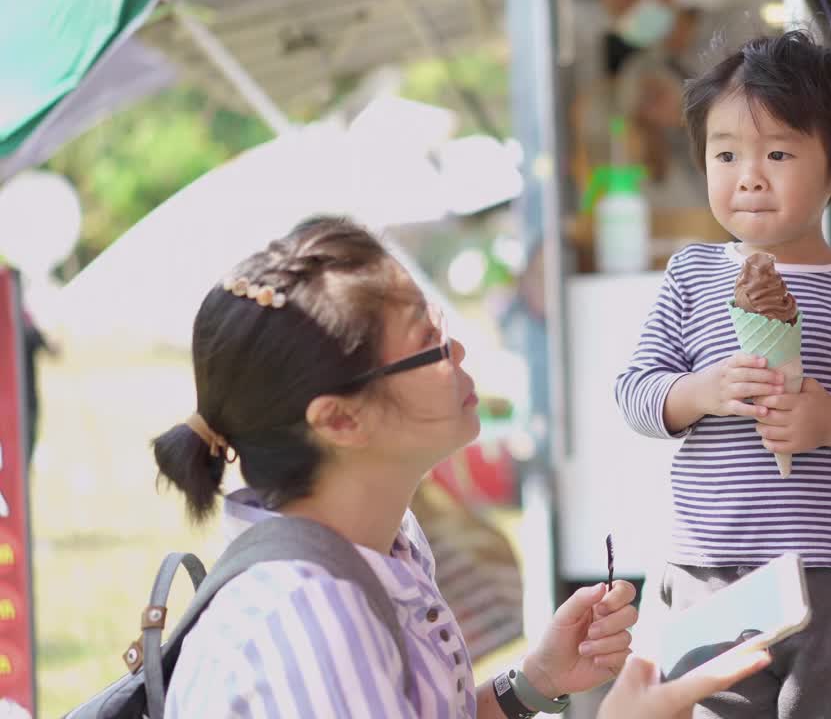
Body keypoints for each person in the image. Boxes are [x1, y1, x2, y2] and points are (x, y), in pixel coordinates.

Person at [154, 216, 769, 718]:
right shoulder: (307, 618)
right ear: (340, 420)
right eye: (429, 345)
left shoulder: (384, 543)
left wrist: (531, 683)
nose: (458, 351)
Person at [614, 31, 831, 718]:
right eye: (726, 154)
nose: (749, 176)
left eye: (777, 154)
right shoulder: (692, 276)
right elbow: (637, 392)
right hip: (712, 576)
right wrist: (700, 392)